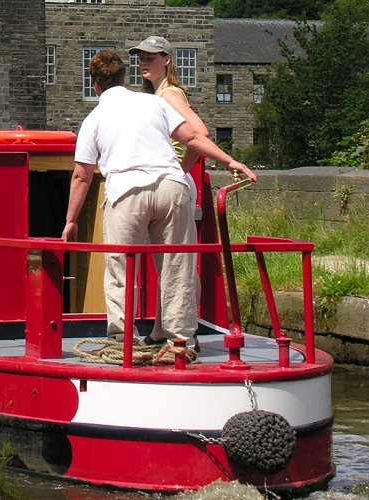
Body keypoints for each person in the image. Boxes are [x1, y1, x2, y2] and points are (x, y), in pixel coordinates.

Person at [62, 50, 258, 347]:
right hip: (171, 187)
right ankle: (181, 341)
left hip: (126, 192)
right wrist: (230, 161)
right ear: (123, 77)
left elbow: (82, 175)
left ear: (95, 84)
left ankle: (123, 341)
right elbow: (193, 137)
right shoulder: (154, 103)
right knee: (177, 265)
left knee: (121, 268)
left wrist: (71, 220)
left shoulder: (94, 118)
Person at [130, 35, 206, 171]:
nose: (143, 63)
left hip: (166, 172)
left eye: (150, 58)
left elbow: (200, 133)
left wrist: (183, 170)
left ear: (167, 60)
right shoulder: (156, 95)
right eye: (141, 58)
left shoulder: (169, 94)